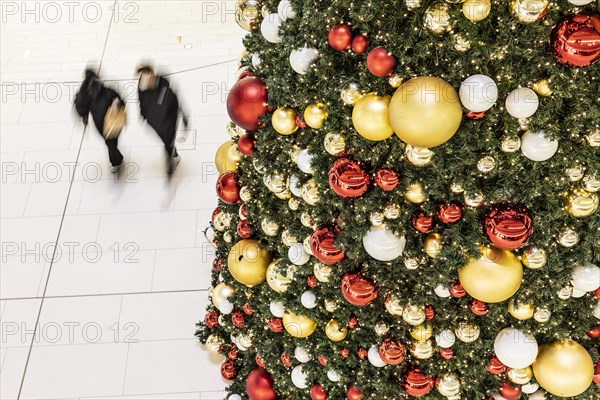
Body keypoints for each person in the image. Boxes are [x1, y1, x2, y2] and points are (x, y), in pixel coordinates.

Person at [136, 65, 188, 176]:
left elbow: (173, 96)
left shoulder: (162, 81)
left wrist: (183, 115)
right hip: (155, 121)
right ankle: (173, 153)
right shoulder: (142, 88)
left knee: (167, 141)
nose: (147, 79)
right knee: (166, 140)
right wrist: (144, 116)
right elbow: (142, 103)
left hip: (169, 117)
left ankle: (170, 162)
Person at [74, 69, 126, 172]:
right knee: (111, 142)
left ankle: (117, 160)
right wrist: (118, 103)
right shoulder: (106, 90)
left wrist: (85, 117)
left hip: (100, 123)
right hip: (111, 121)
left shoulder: (83, 94)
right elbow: (120, 99)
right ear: (95, 77)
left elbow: (80, 108)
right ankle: (116, 160)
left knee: (110, 142)